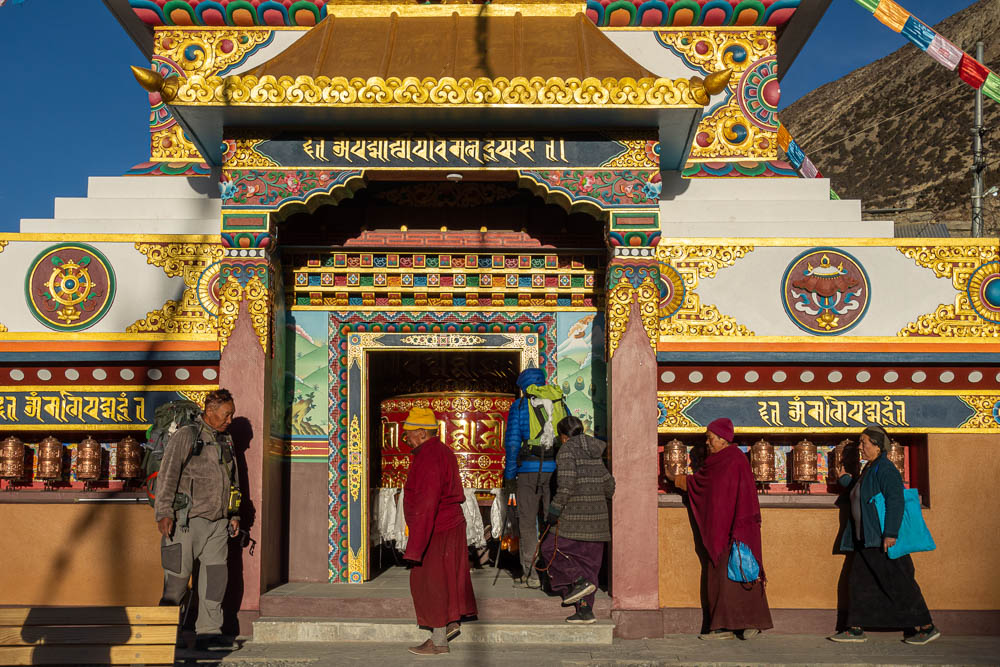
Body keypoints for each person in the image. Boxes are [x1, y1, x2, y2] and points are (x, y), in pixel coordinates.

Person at [828, 424, 940, 645]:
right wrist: (845, 481)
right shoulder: (871, 468)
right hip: (866, 539)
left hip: (881, 539)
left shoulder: (885, 469)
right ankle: (856, 628)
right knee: (859, 582)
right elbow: (862, 493)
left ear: (877, 446)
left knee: (899, 581)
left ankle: (927, 626)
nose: (860, 447)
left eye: (864, 443)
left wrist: (890, 533)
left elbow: (895, 501)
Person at [664, 418, 772, 640]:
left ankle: (725, 627)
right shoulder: (728, 460)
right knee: (741, 574)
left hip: (732, 529)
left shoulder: (731, 460)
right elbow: (708, 486)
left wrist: (677, 480)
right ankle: (747, 623)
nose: (707, 443)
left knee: (730, 574)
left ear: (723, 439)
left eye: (710, 438)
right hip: (733, 527)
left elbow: (704, 485)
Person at [155, 389, 240, 652]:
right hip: (185, 522)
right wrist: (164, 512)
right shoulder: (187, 435)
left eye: (232, 415)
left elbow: (234, 478)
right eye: (226, 415)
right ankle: (164, 635)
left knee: (215, 580)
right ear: (211, 411)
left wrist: (234, 514)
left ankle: (208, 633)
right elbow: (168, 474)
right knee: (176, 583)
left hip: (218, 523)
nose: (229, 420)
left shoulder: (225, 440)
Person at [401, 407, 477, 656]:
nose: (406, 439)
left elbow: (427, 500)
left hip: (436, 527)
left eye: (409, 434)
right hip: (449, 525)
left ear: (422, 433)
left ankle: (439, 641)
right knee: (448, 579)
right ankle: (451, 623)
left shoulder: (429, 456)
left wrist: (415, 545)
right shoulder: (441, 451)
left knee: (430, 581)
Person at [539, 416, 615, 624]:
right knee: (589, 565)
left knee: (549, 550)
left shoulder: (566, 451)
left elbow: (566, 485)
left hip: (572, 519)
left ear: (563, 437)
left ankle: (576, 581)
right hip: (598, 520)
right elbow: (610, 486)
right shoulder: (595, 452)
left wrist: (554, 510)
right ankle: (585, 611)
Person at [502, 367, 567, 588]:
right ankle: (553, 572)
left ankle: (530, 574)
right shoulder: (559, 401)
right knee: (553, 522)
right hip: (555, 471)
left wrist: (509, 477)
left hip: (528, 472)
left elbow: (512, 444)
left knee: (528, 523)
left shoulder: (520, 406)